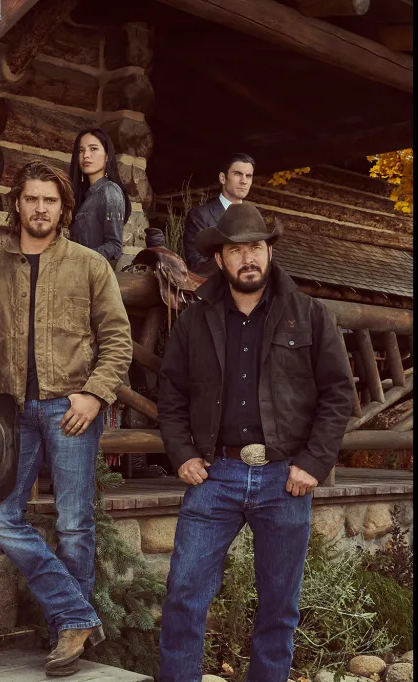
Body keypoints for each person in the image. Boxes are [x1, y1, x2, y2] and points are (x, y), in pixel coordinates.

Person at [156, 202, 354, 681]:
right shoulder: (195, 319)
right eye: (237, 249)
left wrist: (313, 462)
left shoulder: (309, 314)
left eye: (257, 247)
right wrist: (182, 454)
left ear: (269, 252)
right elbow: (171, 392)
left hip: (284, 479)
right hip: (213, 476)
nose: (249, 257)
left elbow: (338, 394)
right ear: (220, 259)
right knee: (184, 595)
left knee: (279, 609)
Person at [0, 161, 132, 677]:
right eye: (31, 199)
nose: (39, 208)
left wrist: (94, 395)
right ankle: (76, 614)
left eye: (49, 201)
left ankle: (65, 639)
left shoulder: (88, 265)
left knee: (75, 524)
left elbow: (117, 340)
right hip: (12, 415)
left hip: (71, 408)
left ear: (63, 208)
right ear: (18, 205)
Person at [183, 153, 255, 275]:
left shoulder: (254, 219)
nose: (244, 181)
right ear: (222, 178)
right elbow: (197, 264)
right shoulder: (200, 216)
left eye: (248, 176)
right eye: (237, 174)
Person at [68, 128, 131, 264]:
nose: (86, 155)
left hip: (94, 277)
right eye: (81, 150)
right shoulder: (86, 196)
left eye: (93, 149)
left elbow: (115, 246)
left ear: (107, 156)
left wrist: (79, 260)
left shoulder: (110, 192)